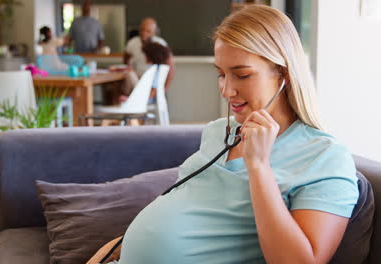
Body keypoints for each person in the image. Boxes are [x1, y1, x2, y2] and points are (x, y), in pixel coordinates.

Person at [89, 5, 359, 264]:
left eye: (242, 75)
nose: (227, 90)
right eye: (221, 74)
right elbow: (174, 215)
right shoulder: (218, 132)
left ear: (283, 74)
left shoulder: (324, 157)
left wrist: (258, 165)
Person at [123, 17, 175, 90]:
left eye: (148, 31)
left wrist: (163, 90)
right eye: (142, 30)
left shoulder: (160, 45)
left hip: (147, 89)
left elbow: (170, 68)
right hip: (138, 83)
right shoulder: (132, 43)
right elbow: (125, 61)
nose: (144, 33)